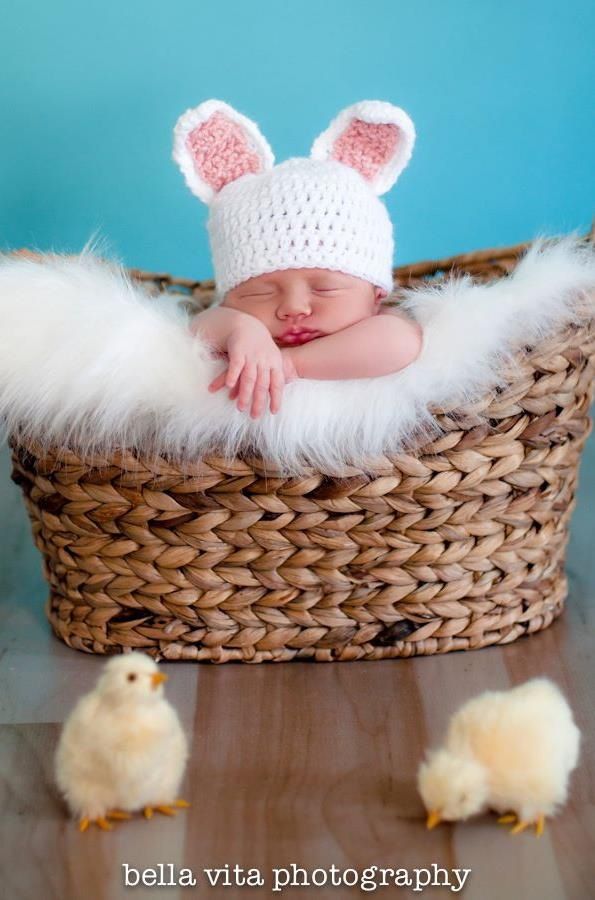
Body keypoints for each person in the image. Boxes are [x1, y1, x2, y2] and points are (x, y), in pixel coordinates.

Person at [173, 98, 423, 418]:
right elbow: (197, 328)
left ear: (376, 294)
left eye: (325, 289)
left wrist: (291, 363)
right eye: (259, 292)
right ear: (230, 296)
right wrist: (240, 329)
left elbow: (402, 343)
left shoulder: (382, 325)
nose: (293, 308)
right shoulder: (232, 320)